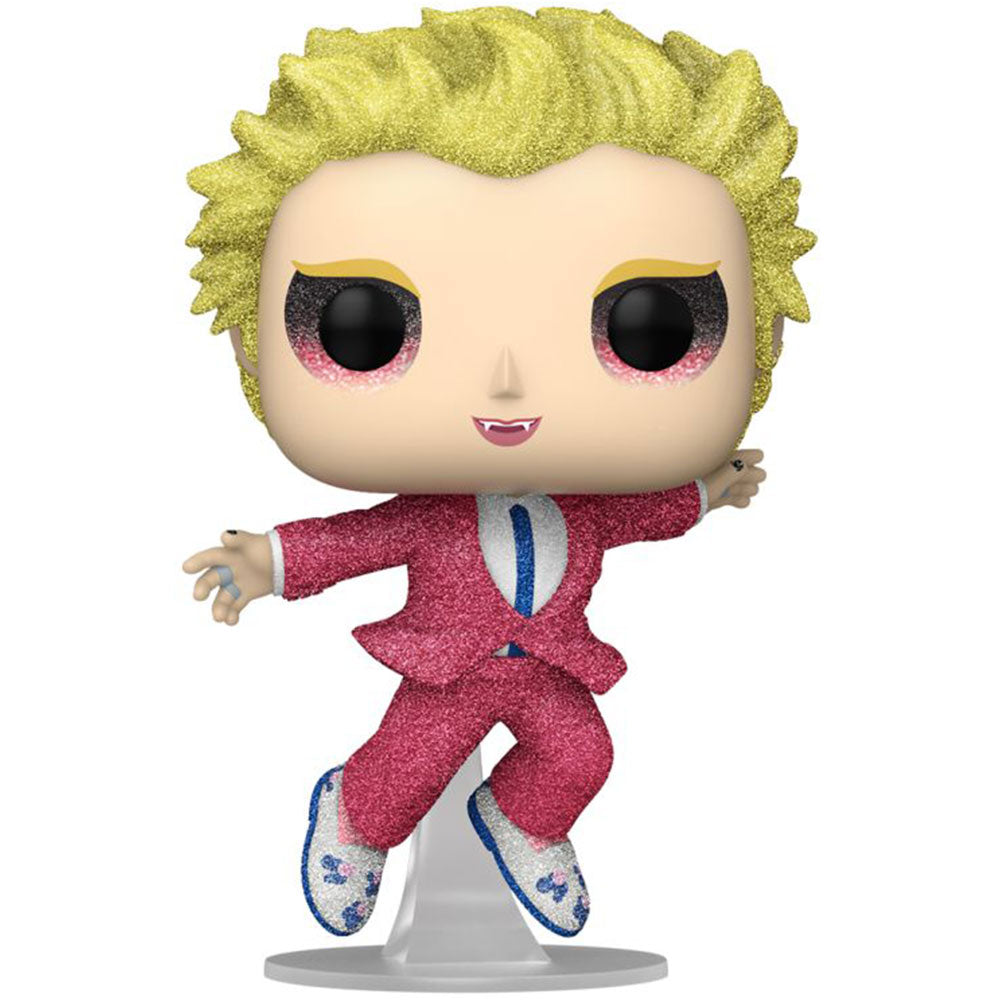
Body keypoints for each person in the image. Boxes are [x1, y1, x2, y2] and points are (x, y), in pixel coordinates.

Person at [182, 6, 815, 937]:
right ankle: (354, 818)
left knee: (583, 756)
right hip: (448, 673)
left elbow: (642, 514)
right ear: (250, 343)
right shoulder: (427, 517)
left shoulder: (588, 507)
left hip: (549, 665)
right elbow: (355, 541)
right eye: (366, 326)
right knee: (406, 769)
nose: (508, 385)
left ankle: (524, 821)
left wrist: (707, 492)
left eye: (651, 326)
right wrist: (269, 560)